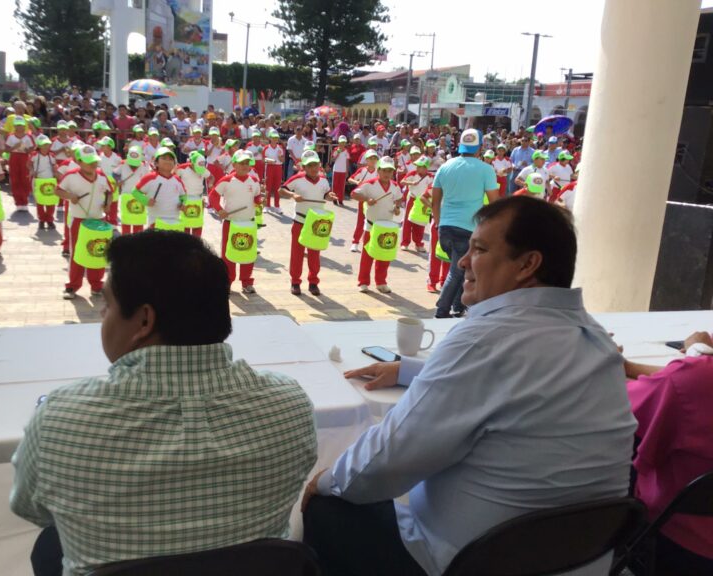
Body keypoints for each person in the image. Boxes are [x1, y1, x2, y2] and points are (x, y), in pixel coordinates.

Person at [302, 196, 638, 576]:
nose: (463, 261)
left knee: (329, 506)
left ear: (527, 264)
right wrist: (410, 370)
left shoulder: (484, 339)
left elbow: (384, 463)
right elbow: (516, 380)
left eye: (479, 249)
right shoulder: (594, 338)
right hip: (580, 559)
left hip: (470, 560)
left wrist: (327, 480)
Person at [10, 231, 318, 576]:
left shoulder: (60, 420)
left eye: (107, 304)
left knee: (51, 545)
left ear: (144, 321)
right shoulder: (291, 407)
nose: (101, 314)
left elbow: (31, 508)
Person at [624, 331, 713, 576]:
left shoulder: (694, 379)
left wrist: (695, 360)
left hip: (680, 544)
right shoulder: (693, 377)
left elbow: (620, 405)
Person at [432, 129, 500, 318]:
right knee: (458, 271)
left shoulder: (445, 167)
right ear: (479, 148)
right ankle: (442, 309)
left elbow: (435, 200)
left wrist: (438, 223)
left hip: (445, 227)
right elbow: (495, 202)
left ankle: (458, 306)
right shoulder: (486, 169)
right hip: (468, 228)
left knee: (462, 268)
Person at [56, 144, 112, 300]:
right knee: (77, 253)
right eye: (88, 161)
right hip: (78, 220)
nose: (93, 164)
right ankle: (72, 286)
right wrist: (69, 196)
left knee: (98, 253)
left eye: (94, 161)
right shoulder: (71, 175)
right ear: (79, 161)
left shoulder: (101, 176)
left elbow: (109, 192)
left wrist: (108, 204)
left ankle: (96, 285)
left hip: (98, 219)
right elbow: (57, 190)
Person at [280, 149, 336, 296]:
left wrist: (329, 196)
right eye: (309, 165)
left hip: (316, 223)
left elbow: (325, 193)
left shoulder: (323, 180)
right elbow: (281, 190)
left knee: (314, 254)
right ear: (303, 167)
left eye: (315, 165)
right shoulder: (297, 178)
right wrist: (292, 194)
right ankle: (295, 282)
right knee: (297, 253)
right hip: (300, 221)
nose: (313, 168)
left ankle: (313, 282)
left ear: (319, 165)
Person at [208, 149, 263, 294]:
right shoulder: (226, 180)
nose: (245, 166)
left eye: (247, 163)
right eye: (241, 163)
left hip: (248, 223)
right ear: (234, 164)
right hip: (231, 223)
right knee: (228, 255)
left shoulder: (255, 181)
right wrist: (219, 209)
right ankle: (228, 282)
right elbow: (213, 196)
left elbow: (257, 196)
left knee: (248, 254)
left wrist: (259, 200)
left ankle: (246, 282)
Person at [351, 155, 404, 294]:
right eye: (384, 170)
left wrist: (397, 208)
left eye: (390, 171)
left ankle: (381, 282)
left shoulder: (395, 186)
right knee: (367, 255)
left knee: (384, 255)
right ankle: (363, 282)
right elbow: (353, 194)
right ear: (378, 170)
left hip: (387, 226)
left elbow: (399, 198)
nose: (387, 174)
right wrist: (366, 199)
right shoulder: (370, 183)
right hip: (371, 226)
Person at [133, 147, 186, 228]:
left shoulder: (177, 180)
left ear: (174, 164)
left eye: (170, 159)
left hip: (174, 221)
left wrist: (183, 203)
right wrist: (145, 200)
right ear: (156, 163)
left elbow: (184, 195)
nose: (167, 161)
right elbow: (135, 191)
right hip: (155, 221)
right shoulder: (149, 178)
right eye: (164, 158)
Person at [347, 149, 379, 253]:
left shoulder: (379, 170)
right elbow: (350, 179)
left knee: (374, 221)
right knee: (361, 221)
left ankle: (372, 243)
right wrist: (357, 182)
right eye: (371, 158)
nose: (373, 160)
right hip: (363, 198)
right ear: (367, 160)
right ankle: (355, 242)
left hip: (375, 199)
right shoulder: (362, 170)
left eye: (375, 158)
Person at [176, 151, 213, 237]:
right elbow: (173, 178)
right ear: (192, 163)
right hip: (186, 200)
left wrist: (210, 184)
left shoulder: (202, 169)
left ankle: (196, 245)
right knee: (185, 226)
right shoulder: (182, 169)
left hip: (198, 200)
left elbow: (211, 177)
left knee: (197, 226)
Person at [400, 155, 433, 252]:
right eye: (417, 166)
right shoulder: (412, 174)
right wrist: (411, 183)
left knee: (420, 223)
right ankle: (405, 243)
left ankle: (418, 243)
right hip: (412, 199)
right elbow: (402, 182)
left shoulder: (431, 177)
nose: (417, 168)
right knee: (407, 221)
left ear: (426, 168)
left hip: (423, 201)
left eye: (420, 166)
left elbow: (432, 189)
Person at [5, 117, 35, 211]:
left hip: (24, 158)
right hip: (14, 157)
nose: (20, 127)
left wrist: (26, 150)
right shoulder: (11, 136)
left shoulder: (28, 137)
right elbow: (7, 149)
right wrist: (15, 146)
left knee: (25, 179)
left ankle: (24, 201)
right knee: (15, 179)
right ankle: (18, 202)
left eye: (21, 125)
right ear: (15, 126)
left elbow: (32, 148)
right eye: (18, 125)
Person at [29, 135, 58, 231]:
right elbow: (29, 164)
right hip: (38, 180)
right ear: (39, 146)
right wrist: (32, 170)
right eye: (44, 145)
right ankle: (41, 220)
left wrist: (55, 170)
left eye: (47, 145)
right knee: (40, 202)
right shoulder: (34, 154)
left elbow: (54, 165)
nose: (46, 147)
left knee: (51, 201)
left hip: (50, 180)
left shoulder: (52, 155)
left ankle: (50, 219)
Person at [263, 130, 285, 214]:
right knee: (268, 187)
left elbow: (282, 160)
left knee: (277, 188)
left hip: (278, 168)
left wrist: (280, 158)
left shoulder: (280, 148)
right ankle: (267, 205)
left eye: (276, 138)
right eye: (273, 138)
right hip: (269, 167)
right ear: (270, 138)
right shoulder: (266, 148)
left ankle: (277, 206)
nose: (275, 139)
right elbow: (263, 159)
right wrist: (269, 161)